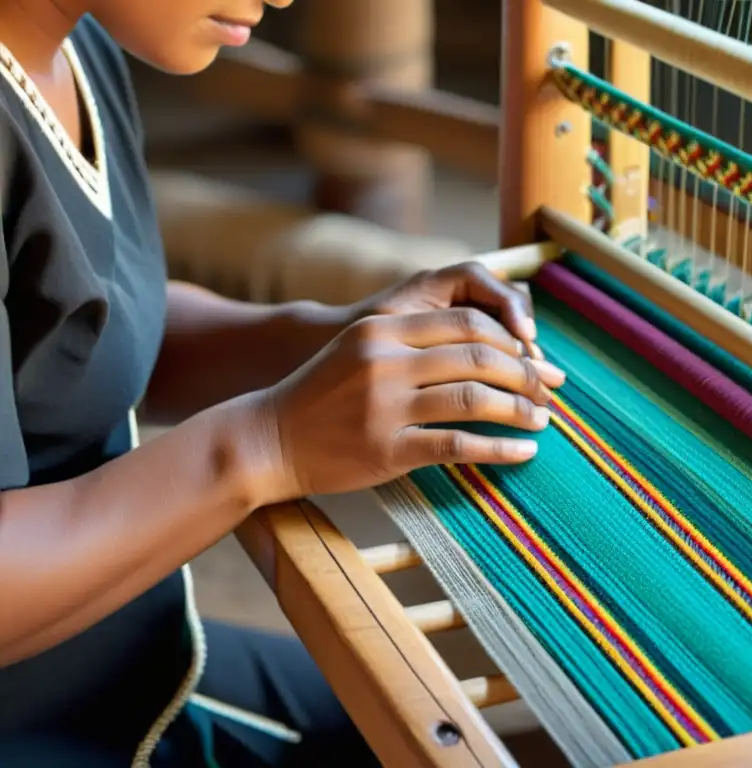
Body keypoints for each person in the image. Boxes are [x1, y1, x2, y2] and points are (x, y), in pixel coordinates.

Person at [0, 0, 566, 765]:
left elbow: (74, 333)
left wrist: (337, 336)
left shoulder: (73, 46)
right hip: (37, 722)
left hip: (121, 659)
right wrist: (265, 444)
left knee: (452, 729)